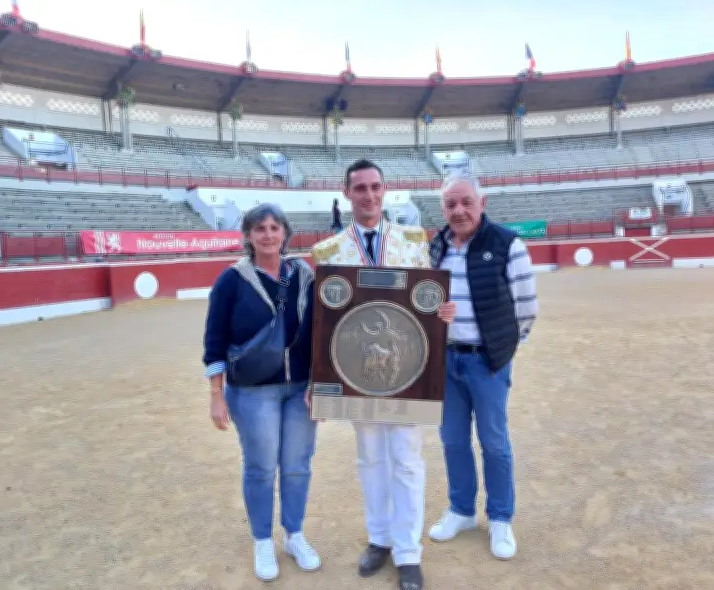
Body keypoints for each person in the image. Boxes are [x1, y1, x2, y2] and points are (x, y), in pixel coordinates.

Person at [311, 159, 455, 590]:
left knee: (407, 460)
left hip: (409, 368)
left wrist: (443, 312)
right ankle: (379, 538)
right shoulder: (328, 252)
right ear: (347, 194)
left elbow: (428, 303)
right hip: (357, 371)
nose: (369, 196)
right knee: (371, 457)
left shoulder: (414, 241)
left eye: (375, 187)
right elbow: (323, 323)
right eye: (360, 189)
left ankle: (408, 551)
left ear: (385, 190)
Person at [203, 203, 320, 583]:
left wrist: (319, 381)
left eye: (274, 227)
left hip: (300, 387)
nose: (268, 234)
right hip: (252, 392)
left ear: (285, 232)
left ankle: (294, 535)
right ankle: (262, 540)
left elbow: (324, 331)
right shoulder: (231, 280)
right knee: (261, 468)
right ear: (249, 236)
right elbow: (214, 339)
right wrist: (216, 394)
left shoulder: (304, 275)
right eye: (260, 228)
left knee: (298, 465)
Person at [426, 173, 539, 561]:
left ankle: (501, 517)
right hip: (446, 361)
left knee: (494, 441)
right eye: (450, 204)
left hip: (487, 363)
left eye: (465, 202)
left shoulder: (508, 244)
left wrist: (501, 351)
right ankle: (461, 510)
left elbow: (527, 310)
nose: (458, 211)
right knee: (453, 440)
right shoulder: (437, 246)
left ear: (482, 203)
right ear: (442, 208)